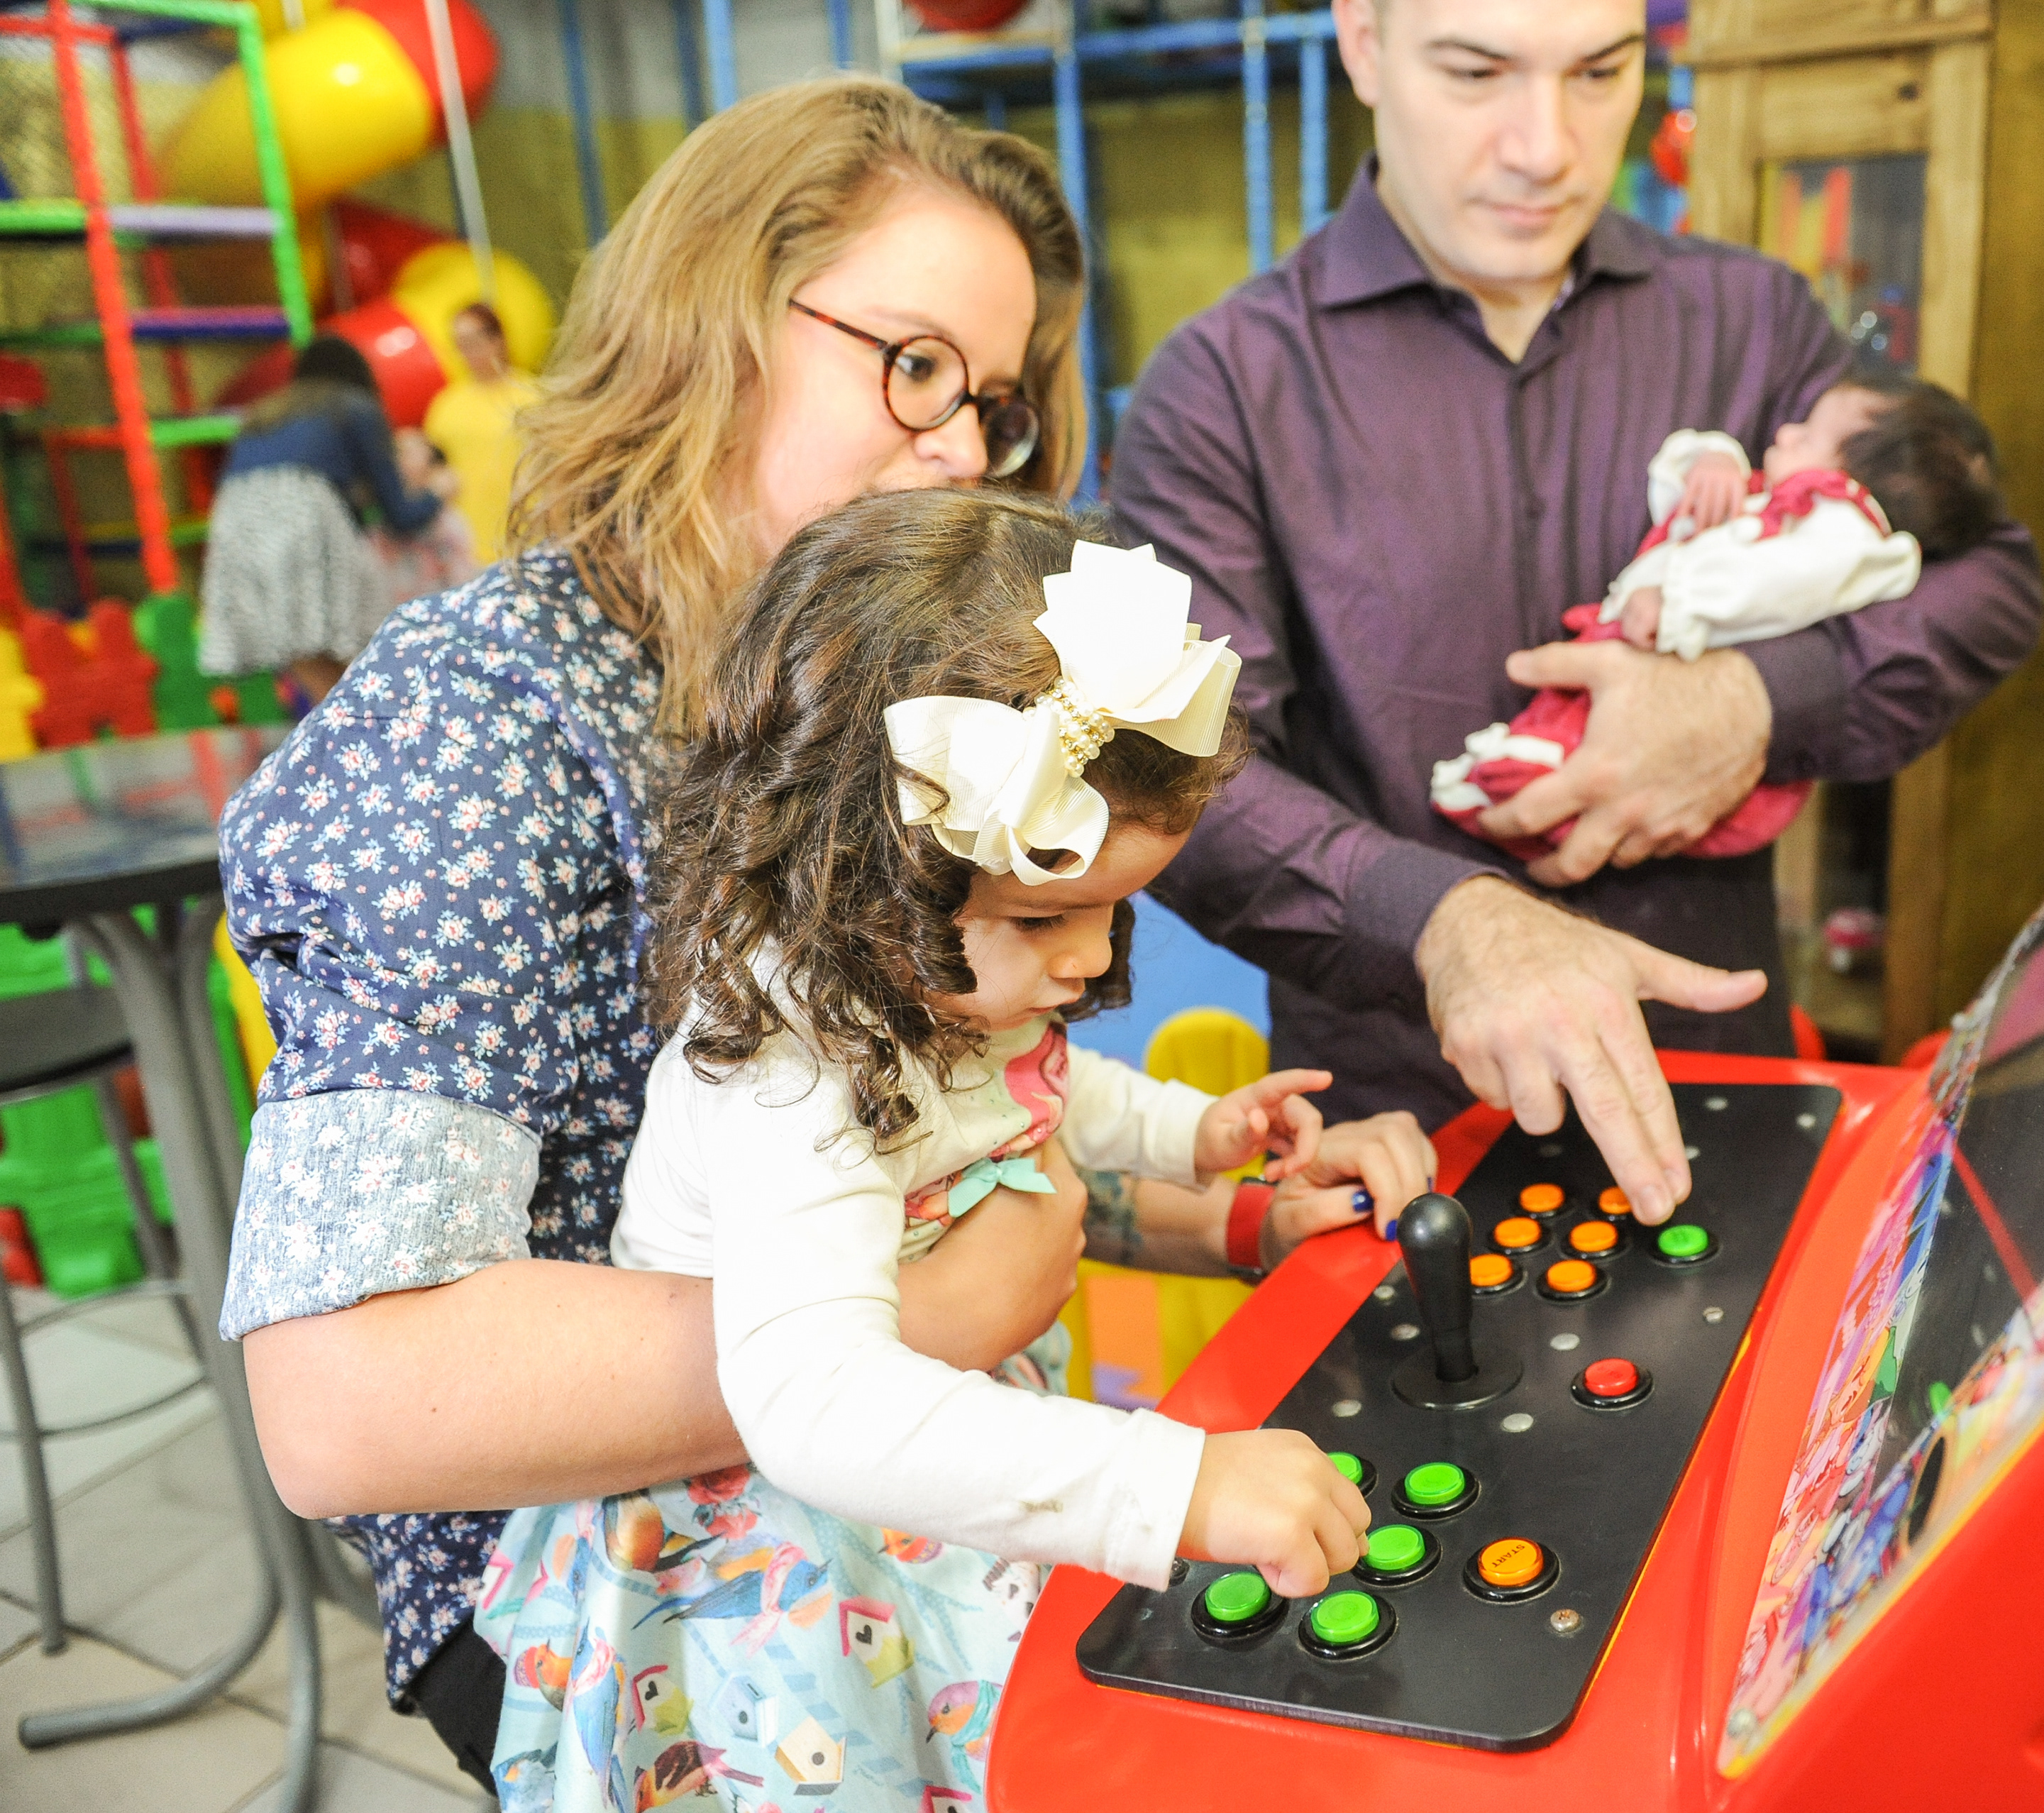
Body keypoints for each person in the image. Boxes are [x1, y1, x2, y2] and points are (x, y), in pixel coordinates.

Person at [216, 77, 1429, 1798]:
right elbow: (342, 1406)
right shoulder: (471, 726)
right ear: (709, 321)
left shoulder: (857, 685)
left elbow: (939, 1118)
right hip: (648, 1613)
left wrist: (1204, 1210)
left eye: (995, 406)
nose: (963, 452)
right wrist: (934, 1312)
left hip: (890, 1506)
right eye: (914, 365)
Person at [479, 490, 1376, 1808]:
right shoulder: (793, 1071)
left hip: (929, 1465)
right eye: (1047, 918)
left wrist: (1196, 1134)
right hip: (785, 1564)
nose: (1087, 962)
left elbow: (1035, 1088)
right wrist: (1170, 1485)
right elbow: (819, 1406)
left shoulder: (938, 979)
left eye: (1113, 913)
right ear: (856, 875)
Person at [1110, 0, 2044, 1221]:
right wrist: (1446, 923)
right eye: (1477, 72)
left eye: (1600, 73)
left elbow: (1990, 575)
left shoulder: (1750, 325)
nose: (1547, 148)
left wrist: (1758, 701)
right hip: (1407, 1140)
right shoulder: (1224, 389)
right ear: (1364, 43)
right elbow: (1178, 771)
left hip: (1721, 1094)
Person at [1432, 372, 2004, 862]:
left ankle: (1529, 774)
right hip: (1644, 637)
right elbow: (1681, 507)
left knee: (1607, 727)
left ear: (1858, 483)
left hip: (1676, 655)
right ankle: (1520, 764)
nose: (1785, 433)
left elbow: (1773, 580)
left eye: (1807, 436)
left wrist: (1678, 601)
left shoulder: (1841, 533)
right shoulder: (1776, 504)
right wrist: (1714, 461)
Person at [199, 333, 445, 705]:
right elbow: (399, 515)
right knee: (355, 634)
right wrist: (437, 494)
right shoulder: (354, 406)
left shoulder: (265, 413)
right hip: (304, 513)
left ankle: (346, 718)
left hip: (234, 518)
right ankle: (387, 716)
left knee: (298, 640)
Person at [422, 301, 540, 558]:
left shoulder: (532, 397)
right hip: (467, 543)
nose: (469, 352)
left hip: (528, 537)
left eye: (474, 341)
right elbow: (431, 467)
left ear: (498, 339)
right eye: (460, 344)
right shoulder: (446, 406)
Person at [371, 427, 482, 608]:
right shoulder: (382, 518)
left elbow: (463, 578)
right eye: (396, 452)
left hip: (441, 609)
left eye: (408, 452)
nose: (396, 459)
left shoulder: (446, 522)